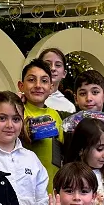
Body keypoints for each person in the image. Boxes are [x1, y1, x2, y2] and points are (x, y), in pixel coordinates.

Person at [18, 60, 65, 192]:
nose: (38, 85)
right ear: (21, 86)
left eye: (44, 81)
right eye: (31, 80)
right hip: (24, 187)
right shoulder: (17, 112)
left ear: (51, 87)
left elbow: (60, 152)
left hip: (51, 188)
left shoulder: (55, 115)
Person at [38, 48, 76, 114]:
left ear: (64, 73)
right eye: (47, 64)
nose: (53, 68)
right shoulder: (25, 98)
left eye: (58, 65)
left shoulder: (69, 107)